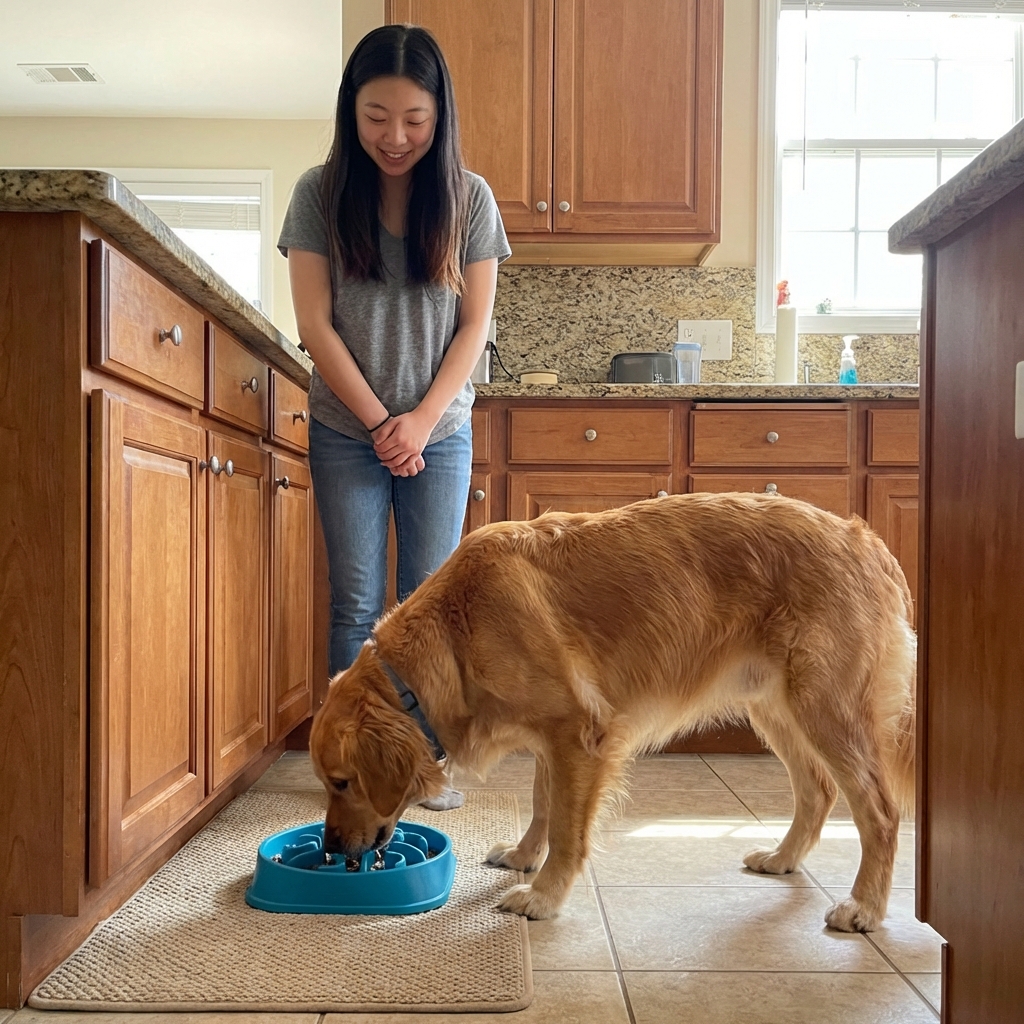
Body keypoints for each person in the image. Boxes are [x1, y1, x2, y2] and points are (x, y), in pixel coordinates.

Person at [278, 24, 510, 809]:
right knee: (355, 603)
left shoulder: (469, 198)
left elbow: (474, 325)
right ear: (352, 110)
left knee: (428, 607)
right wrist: (384, 421)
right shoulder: (319, 193)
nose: (396, 136)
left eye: (414, 118)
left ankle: (422, 765)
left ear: (440, 115)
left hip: (439, 435)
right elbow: (315, 325)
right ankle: (347, 766)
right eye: (377, 116)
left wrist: (421, 420)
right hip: (348, 430)